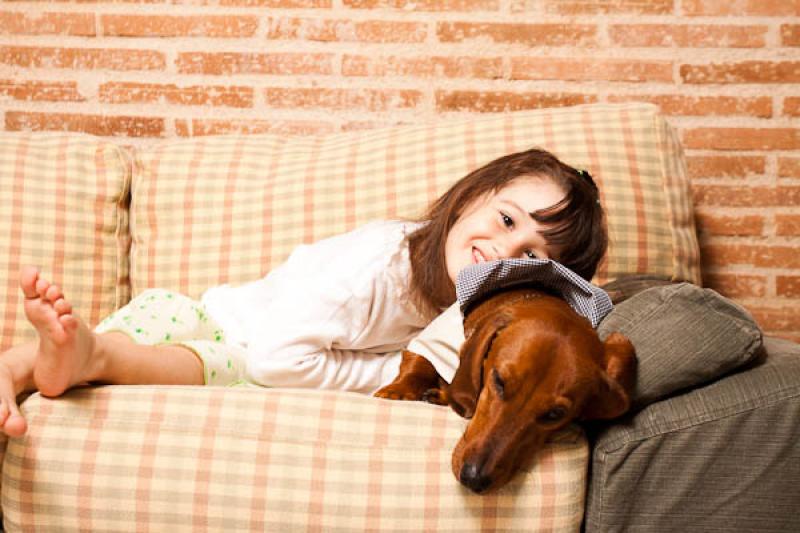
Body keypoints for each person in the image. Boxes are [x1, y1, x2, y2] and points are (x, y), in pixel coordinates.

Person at [0, 148, 607, 438]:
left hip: (225, 343)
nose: (503, 250)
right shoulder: (383, 265)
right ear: (473, 195)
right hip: (205, 322)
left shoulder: (470, 311)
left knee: (176, 362)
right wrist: (396, 374)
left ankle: (66, 359)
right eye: (505, 220)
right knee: (205, 361)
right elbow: (272, 359)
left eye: (532, 255)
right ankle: (63, 358)